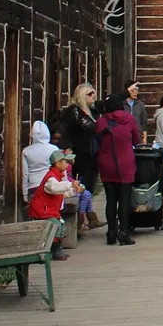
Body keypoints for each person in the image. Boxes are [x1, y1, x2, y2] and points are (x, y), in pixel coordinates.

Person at [54, 84, 102, 231]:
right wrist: (67, 150)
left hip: (92, 153)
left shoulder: (93, 111)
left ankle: (90, 216)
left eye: (94, 93)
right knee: (80, 186)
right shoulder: (72, 111)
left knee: (90, 185)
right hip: (78, 155)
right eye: (90, 93)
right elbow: (63, 131)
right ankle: (81, 220)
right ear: (82, 95)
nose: (93, 95)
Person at [95, 96, 141, 246]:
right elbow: (136, 140)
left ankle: (111, 233)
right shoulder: (129, 119)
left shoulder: (102, 121)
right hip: (125, 164)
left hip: (107, 164)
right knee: (124, 200)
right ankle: (124, 232)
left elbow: (98, 139)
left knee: (111, 200)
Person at [27, 149, 75, 260]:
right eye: (65, 162)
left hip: (50, 211)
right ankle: (53, 251)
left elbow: (61, 193)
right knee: (56, 226)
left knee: (61, 225)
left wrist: (74, 191)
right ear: (57, 164)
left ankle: (57, 249)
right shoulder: (51, 178)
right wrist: (70, 184)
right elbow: (55, 188)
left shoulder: (57, 176)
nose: (67, 164)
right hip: (42, 211)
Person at [21, 120, 57, 204]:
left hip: (33, 187)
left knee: (37, 212)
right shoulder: (54, 149)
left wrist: (25, 194)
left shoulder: (26, 151)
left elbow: (25, 174)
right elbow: (61, 170)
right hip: (51, 185)